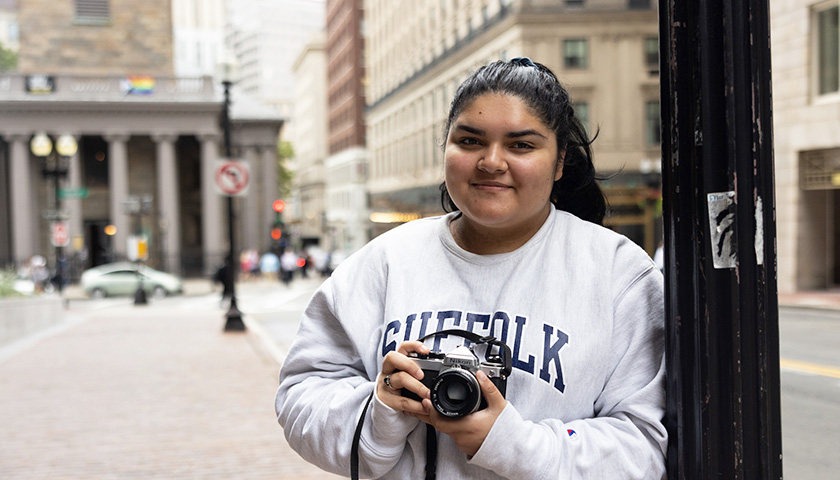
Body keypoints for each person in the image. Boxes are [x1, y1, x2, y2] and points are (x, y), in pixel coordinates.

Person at [275, 58, 666, 479]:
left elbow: (645, 446)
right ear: (446, 147)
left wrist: (511, 443)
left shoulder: (618, 274)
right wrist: (380, 411)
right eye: (470, 141)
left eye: (521, 145)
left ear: (559, 161)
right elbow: (300, 395)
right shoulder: (384, 261)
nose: (491, 162)